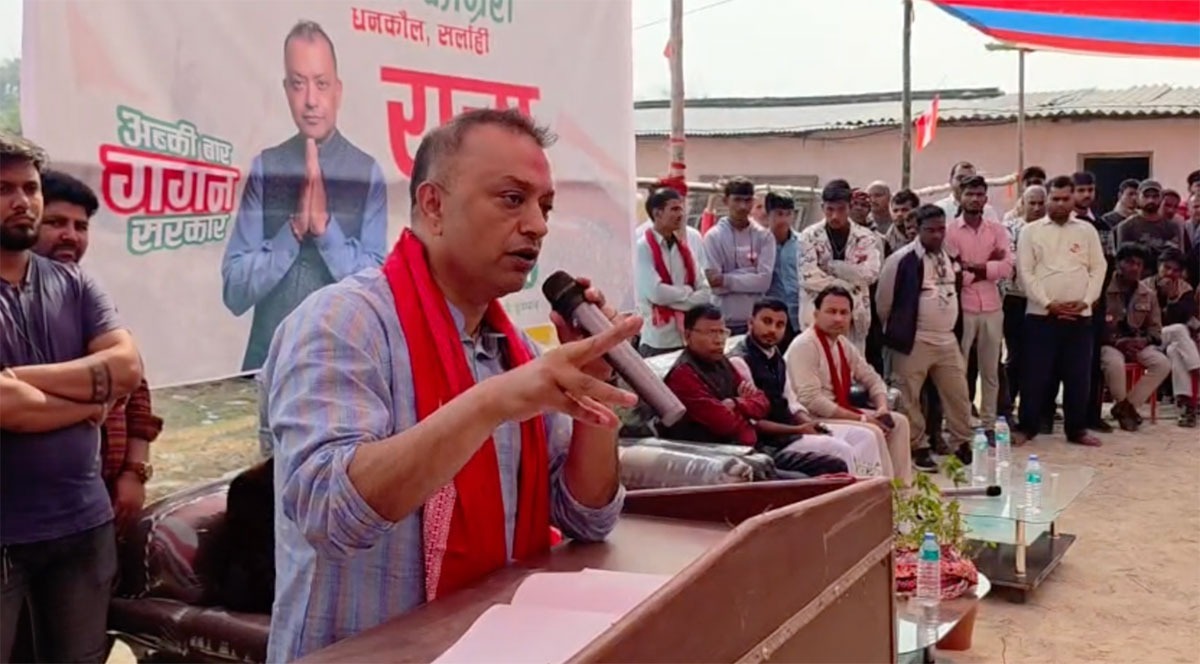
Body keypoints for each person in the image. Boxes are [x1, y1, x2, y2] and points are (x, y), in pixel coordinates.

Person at [261, 109, 635, 660]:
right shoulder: (343, 323)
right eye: (513, 199)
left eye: (545, 206)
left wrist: (594, 385)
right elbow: (330, 512)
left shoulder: (514, 350)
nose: (537, 225)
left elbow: (586, 517)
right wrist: (491, 403)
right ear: (433, 205)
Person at [0, 133, 145, 662]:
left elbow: (126, 369)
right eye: (4, 189)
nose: (22, 201)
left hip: (82, 526)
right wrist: (89, 406)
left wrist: (19, 376)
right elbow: (8, 409)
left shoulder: (77, 285)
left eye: (30, 187)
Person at [221, 20, 388, 372]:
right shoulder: (266, 167)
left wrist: (326, 229)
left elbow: (378, 291)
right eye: (298, 84)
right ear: (286, 90)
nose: (311, 100)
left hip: (344, 368)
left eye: (321, 84)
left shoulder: (366, 172)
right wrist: (294, 230)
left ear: (338, 90)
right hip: (267, 370)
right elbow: (234, 290)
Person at [32, 170, 161, 529]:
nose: (70, 236)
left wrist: (134, 472)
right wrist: (91, 405)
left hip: (103, 502)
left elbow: (136, 391)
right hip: (31, 511)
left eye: (81, 226)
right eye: (55, 223)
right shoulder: (11, 306)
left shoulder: (91, 298)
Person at [662, 305, 848, 477]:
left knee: (834, 465)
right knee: (806, 480)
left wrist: (736, 403)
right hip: (726, 459)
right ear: (688, 335)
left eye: (722, 332)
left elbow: (762, 404)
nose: (719, 340)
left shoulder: (722, 362)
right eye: (711, 333)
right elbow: (725, 423)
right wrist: (746, 406)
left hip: (756, 451)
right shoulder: (683, 375)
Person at [729, 298, 893, 478]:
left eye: (779, 325)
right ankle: (856, 493)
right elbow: (754, 422)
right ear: (750, 322)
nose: (772, 330)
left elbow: (791, 403)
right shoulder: (740, 361)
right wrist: (799, 429)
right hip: (770, 443)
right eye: (767, 322)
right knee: (840, 450)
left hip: (793, 430)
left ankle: (878, 489)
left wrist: (809, 425)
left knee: (865, 436)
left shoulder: (775, 355)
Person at [877, 204, 974, 470]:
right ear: (917, 230)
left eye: (941, 229)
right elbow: (884, 304)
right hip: (913, 340)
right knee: (908, 398)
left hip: (947, 339)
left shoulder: (950, 256)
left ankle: (961, 442)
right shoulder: (901, 259)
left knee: (958, 394)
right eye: (930, 230)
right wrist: (898, 332)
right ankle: (917, 446)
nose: (937, 235)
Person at [784, 287, 914, 481]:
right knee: (873, 431)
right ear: (816, 314)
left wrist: (881, 408)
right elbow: (811, 400)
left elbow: (872, 378)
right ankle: (879, 491)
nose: (838, 318)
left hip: (838, 410)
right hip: (812, 417)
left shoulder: (842, 344)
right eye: (831, 311)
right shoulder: (805, 344)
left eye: (844, 313)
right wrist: (862, 419)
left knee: (899, 423)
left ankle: (902, 491)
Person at [1013, 176, 1106, 447]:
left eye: (1066, 199)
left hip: (1080, 316)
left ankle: (1077, 430)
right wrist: (1048, 303)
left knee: (1078, 376)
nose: (1060, 204)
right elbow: (1025, 272)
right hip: (1041, 316)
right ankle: (1027, 427)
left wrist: (1086, 301)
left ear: (1073, 199)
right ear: (1047, 199)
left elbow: (1098, 267)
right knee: (1035, 374)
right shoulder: (1030, 232)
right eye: (1055, 199)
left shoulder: (1087, 230)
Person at [945, 175, 1012, 436]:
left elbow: (1007, 267)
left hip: (992, 306)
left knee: (991, 370)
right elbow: (953, 273)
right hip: (963, 306)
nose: (974, 199)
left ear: (986, 198)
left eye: (979, 194)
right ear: (960, 197)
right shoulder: (950, 231)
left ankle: (988, 424)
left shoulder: (997, 230)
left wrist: (972, 267)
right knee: (958, 369)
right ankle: (959, 424)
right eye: (969, 194)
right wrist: (987, 267)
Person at [798, 182, 882, 350]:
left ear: (850, 207)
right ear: (822, 207)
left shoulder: (865, 237)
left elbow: (870, 273)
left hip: (854, 317)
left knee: (852, 363)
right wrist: (847, 285)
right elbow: (808, 276)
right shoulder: (809, 236)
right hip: (817, 316)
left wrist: (835, 267)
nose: (835, 216)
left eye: (841, 209)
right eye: (830, 209)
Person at [1099, 243, 1171, 432]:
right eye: (1130, 263)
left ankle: (1125, 408)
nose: (1135, 268)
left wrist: (1143, 341)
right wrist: (1116, 342)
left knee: (1162, 364)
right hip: (1110, 343)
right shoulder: (1103, 289)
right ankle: (1125, 409)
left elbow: (1156, 330)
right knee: (1114, 363)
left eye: (1139, 264)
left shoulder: (1148, 294)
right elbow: (1094, 327)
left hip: (1137, 343)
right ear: (1118, 264)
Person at [633, 187, 711, 356]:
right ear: (657, 213)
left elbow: (706, 293)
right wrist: (687, 291)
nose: (681, 214)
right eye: (674, 209)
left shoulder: (684, 248)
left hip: (685, 338)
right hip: (657, 341)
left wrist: (670, 300)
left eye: (681, 209)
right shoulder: (642, 248)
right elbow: (656, 293)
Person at [702, 177, 776, 335]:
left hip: (755, 323)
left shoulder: (764, 236)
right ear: (725, 201)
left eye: (747, 200)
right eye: (737, 200)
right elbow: (714, 284)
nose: (742, 206)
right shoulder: (713, 236)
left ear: (753, 201)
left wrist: (726, 279)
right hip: (722, 323)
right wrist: (751, 274)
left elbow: (764, 282)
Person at [1073, 171, 1117, 433]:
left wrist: (1094, 294)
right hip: (1062, 302)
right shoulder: (1059, 224)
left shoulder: (1102, 226)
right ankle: (1047, 414)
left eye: (1090, 190)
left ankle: (1091, 415)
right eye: (1081, 190)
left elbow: (1108, 264)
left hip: (1094, 303)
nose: (1086, 195)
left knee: (1092, 361)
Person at [1000, 185, 1045, 423]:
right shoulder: (1010, 228)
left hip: (1045, 301)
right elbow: (1012, 262)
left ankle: (1034, 413)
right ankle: (1007, 409)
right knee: (1015, 356)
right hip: (1015, 299)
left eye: (1041, 203)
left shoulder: (1052, 230)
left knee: (1038, 358)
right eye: (1032, 203)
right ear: (1023, 203)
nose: (1036, 208)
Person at [1148, 248, 1200, 427]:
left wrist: (1171, 298)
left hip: (1173, 340)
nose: (1171, 273)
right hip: (1148, 338)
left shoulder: (1185, 289)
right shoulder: (1144, 286)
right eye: (1167, 268)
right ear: (1159, 266)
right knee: (1179, 330)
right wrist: (1164, 297)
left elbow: (1185, 318)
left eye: (1176, 270)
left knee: (1175, 350)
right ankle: (1197, 368)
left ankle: (1186, 405)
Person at [1115, 179, 1185, 275]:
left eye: (1155, 196)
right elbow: (1122, 263)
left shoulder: (1173, 227)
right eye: (1146, 196)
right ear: (1138, 197)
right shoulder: (1126, 227)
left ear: (1162, 199)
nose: (1151, 200)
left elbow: (1179, 259)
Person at [763, 192, 801, 348]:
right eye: (779, 214)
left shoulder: (803, 243)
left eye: (788, 214)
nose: (784, 220)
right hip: (771, 318)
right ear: (768, 215)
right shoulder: (760, 243)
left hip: (798, 317)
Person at [935, 161, 1001, 223]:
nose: (964, 182)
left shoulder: (988, 211)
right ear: (950, 180)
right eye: (960, 178)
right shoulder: (939, 208)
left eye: (969, 179)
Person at [884, 188, 920, 256]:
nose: (899, 214)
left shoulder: (926, 231)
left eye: (904, 210)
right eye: (895, 211)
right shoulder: (888, 239)